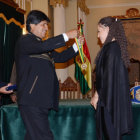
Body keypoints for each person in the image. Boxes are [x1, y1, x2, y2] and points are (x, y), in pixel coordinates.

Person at [15, 10, 83, 140]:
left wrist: (76, 46)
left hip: (40, 100)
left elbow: (61, 57)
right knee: (44, 136)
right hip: (32, 100)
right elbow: (44, 46)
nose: (46, 29)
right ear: (32, 25)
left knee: (34, 136)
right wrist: (66, 36)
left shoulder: (41, 46)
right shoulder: (25, 41)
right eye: (43, 25)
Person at [90, 16, 133, 140]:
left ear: (108, 29)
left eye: (99, 31)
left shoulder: (111, 49)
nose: (98, 36)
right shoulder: (114, 48)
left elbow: (105, 78)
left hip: (108, 103)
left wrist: (97, 95)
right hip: (111, 101)